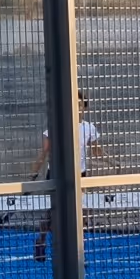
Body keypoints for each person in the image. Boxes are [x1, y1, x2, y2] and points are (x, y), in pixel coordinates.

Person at [28, 91, 109, 264]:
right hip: (57, 174)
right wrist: (33, 173)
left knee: (83, 213)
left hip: (80, 175)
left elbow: (96, 151)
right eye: (75, 105)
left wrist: (112, 162)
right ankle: (40, 241)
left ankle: (79, 253)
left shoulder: (89, 128)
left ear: (84, 108)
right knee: (52, 213)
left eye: (80, 105)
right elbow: (45, 153)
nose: (78, 109)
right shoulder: (57, 126)